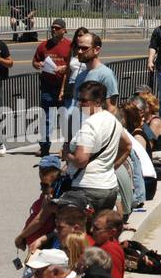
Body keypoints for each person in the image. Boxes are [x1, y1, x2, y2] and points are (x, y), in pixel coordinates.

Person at [62, 81, 132, 214]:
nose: (80, 104)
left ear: (98, 101)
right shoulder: (112, 120)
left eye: (84, 100)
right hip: (109, 187)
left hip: (87, 188)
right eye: (79, 99)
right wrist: (110, 167)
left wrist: (66, 155)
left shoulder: (89, 125)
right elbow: (127, 146)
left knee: (73, 229)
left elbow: (81, 160)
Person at [33, 18, 73, 156]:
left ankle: (65, 148)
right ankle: (44, 147)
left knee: (65, 118)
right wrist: (37, 65)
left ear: (64, 30)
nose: (54, 30)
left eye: (57, 28)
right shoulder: (43, 45)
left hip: (63, 87)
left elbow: (74, 65)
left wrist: (65, 68)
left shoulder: (69, 46)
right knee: (47, 118)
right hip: (47, 87)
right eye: (52, 28)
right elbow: (35, 61)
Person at [88, 209, 126, 278]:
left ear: (112, 232)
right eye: (92, 226)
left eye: (96, 228)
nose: (91, 230)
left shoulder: (111, 251)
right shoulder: (100, 244)